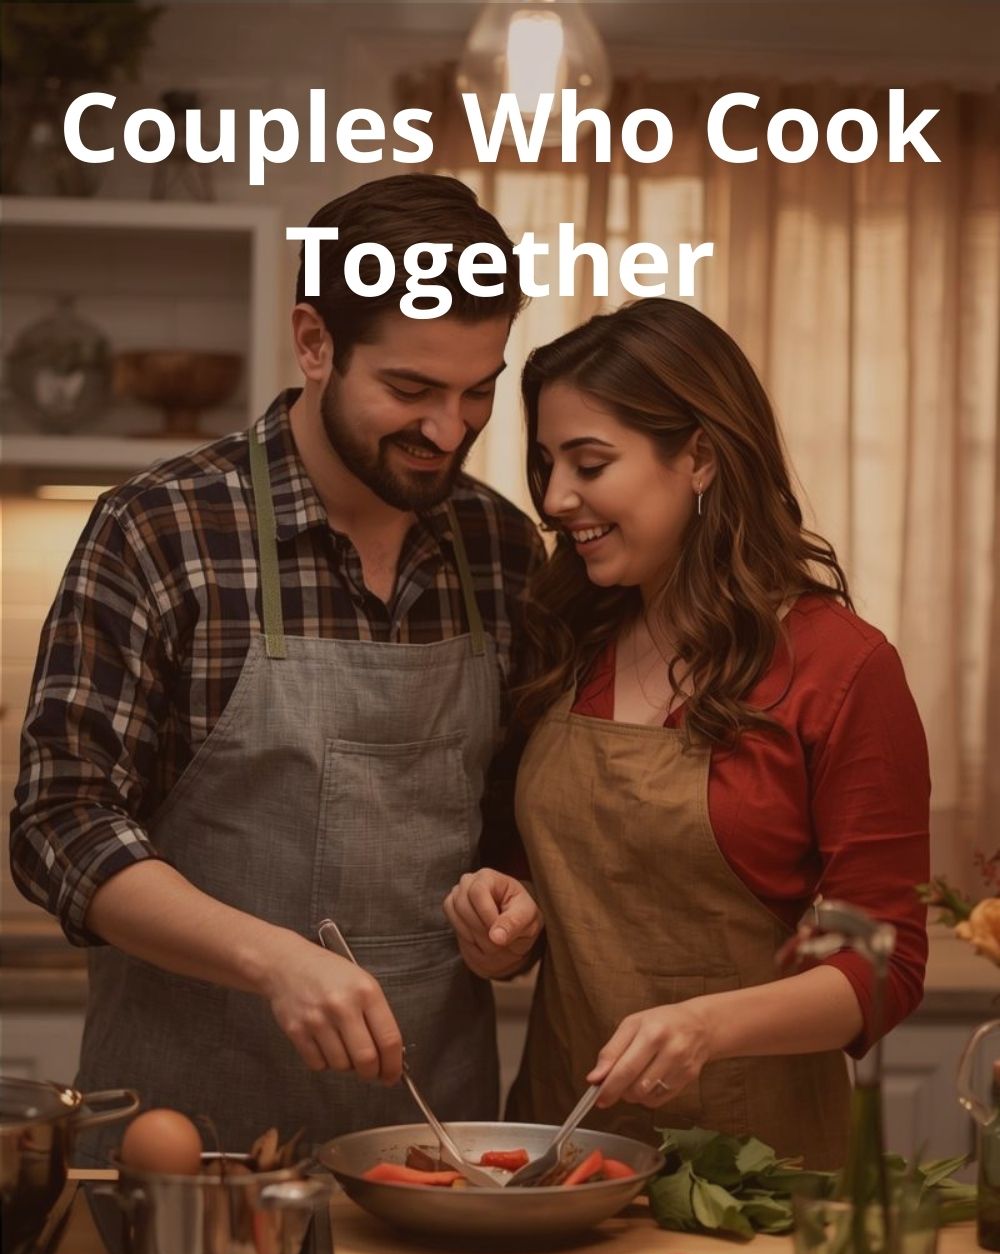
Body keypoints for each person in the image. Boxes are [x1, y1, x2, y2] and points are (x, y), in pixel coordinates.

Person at [10, 174, 544, 1158]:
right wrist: (270, 959)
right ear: (314, 343)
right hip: (186, 1145)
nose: (449, 430)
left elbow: (517, 817)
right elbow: (59, 828)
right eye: (411, 389)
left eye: (480, 390)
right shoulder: (162, 528)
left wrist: (512, 910)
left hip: (433, 1149)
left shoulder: (504, 551)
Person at [443, 299, 930, 1168]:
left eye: (590, 463)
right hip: (560, 1155)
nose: (555, 499)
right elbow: (558, 885)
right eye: (548, 463)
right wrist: (506, 924)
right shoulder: (563, 640)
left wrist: (708, 1025)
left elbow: (883, 963)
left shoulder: (840, 668)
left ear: (699, 456)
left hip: (761, 1174)